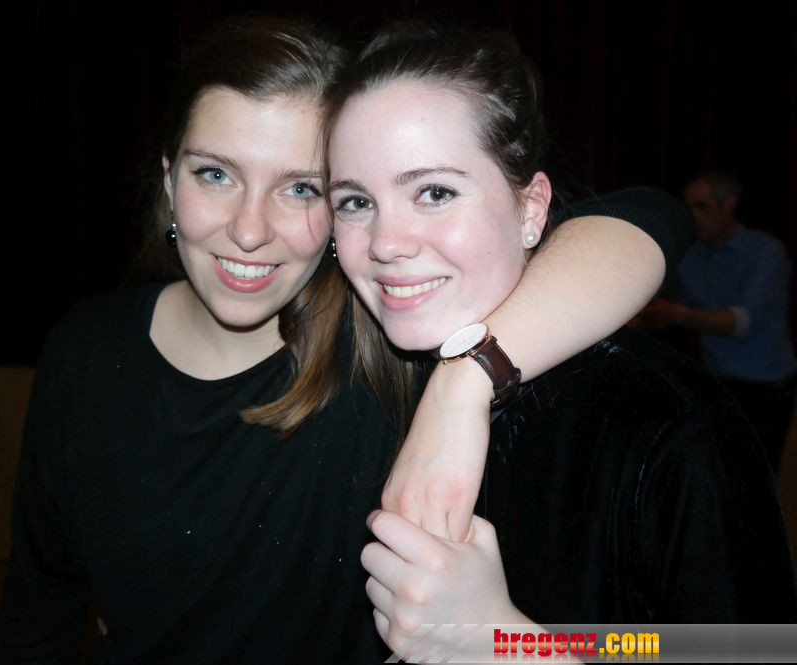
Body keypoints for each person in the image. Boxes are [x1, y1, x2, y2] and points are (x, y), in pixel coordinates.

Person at [0, 15, 690, 665]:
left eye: (301, 189)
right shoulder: (85, 351)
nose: (248, 230)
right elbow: (40, 608)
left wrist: (467, 375)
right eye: (215, 173)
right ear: (168, 180)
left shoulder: (385, 346)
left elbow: (649, 218)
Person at [323, 22, 797, 659]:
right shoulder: (345, 378)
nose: (385, 243)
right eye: (355, 202)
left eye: (434, 192)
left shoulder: (663, 424)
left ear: (531, 209)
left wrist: (507, 644)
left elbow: (731, 648)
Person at [639, 170, 797, 473]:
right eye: (689, 208)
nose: (694, 217)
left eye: (702, 207)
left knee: (759, 475)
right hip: (718, 381)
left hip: (766, 386)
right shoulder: (692, 256)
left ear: (729, 205)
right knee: (722, 474)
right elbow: (666, 308)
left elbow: (740, 323)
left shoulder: (765, 252)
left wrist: (674, 314)